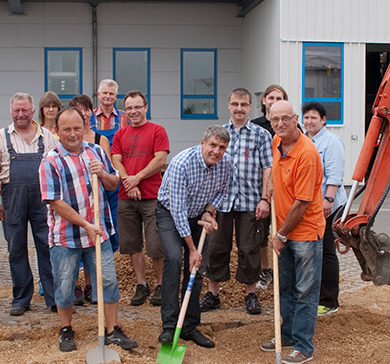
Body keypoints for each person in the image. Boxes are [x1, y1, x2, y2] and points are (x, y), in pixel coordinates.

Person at [39, 107, 138, 352]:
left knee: (108, 282)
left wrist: (102, 173)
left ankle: (112, 329)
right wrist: (85, 224)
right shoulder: (50, 161)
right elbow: (55, 202)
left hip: (99, 234)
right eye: (66, 129)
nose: (72, 134)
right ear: (57, 131)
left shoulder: (95, 152)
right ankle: (65, 329)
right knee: (64, 286)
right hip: (66, 237)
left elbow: (114, 183)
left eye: (77, 128)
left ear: (84, 128)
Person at [260, 100, 325, 364]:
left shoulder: (306, 154)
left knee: (305, 292)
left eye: (285, 119)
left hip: (304, 233)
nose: (280, 124)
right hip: (282, 230)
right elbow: (274, 177)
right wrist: (267, 197)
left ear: (295, 118)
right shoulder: (277, 142)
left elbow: (302, 202)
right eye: (275, 120)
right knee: (285, 287)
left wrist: (281, 235)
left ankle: (303, 346)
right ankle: (285, 335)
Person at [156, 126, 233, 349]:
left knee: (197, 269)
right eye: (213, 145)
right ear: (202, 143)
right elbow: (178, 211)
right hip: (170, 213)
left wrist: (209, 210)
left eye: (222, 147)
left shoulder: (226, 164)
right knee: (174, 260)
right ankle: (170, 327)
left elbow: (223, 191)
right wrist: (191, 249)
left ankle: (189, 326)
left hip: (199, 214)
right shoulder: (182, 164)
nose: (217, 151)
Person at [0, 92, 58, 316]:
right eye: (17, 110)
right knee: (16, 248)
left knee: (46, 246)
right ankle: (21, 298)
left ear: (33, 111)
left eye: (25, 110)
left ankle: (53, 297)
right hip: (12, 198)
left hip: (42, 200)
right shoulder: (1, 137)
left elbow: (56, 169)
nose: (21, 114)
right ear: (11, 111)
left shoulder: (47, 137)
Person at [200, 88, 271, 315]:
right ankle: (213, 293)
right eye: (235, 104)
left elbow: (268, 169)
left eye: (243, 104)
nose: (239, 108)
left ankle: (251, 294)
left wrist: (265, 199)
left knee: (250, 249)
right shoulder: (220, 135)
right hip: (221, 202)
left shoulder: (261, 135)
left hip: (251, 202)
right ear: (228, 105)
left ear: (250, 106)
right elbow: (208, 164)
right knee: (216, 247)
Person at [111, 90, 169, 307]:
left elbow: (160, 159)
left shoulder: (157, 131)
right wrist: (128, 181)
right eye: (129, 108)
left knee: (156, 245)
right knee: (132, 244)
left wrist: (136, 178)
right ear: (125, 111)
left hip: (153, 196)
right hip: (126, 198)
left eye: (138, 107)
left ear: (146, 107)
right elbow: (116, 160)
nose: (133, 111)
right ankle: (141, 284)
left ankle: (162, 284)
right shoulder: (120, 134)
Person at [302, 102, 347, 317]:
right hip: (311, 207)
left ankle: (329, 301)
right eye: (306, 117)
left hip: (328, 205)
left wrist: (328, 199)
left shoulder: (331, 142)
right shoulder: (305, 141)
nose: (309, 121)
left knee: (327, 251)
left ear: (323, 120)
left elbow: (335, 174)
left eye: (314, 118)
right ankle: (316, 296)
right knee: (313, 251)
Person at [68, 93, 108, 305]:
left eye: (86, 109)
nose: (83, 113)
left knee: (94, 249)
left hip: (95, 205)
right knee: (74, 250)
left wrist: (101, 172)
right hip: (73, 207)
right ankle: (74, 287)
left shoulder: (99, 144)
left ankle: (92, 286)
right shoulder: (62, 145)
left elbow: (110, 178)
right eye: (78, 109)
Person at [251, 84, 289, 292]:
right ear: (264, 100)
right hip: (262, 189)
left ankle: (283, 269)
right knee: (260, 234)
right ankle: (266, 271)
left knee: (284, 232)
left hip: (285, 190)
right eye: (271, 98)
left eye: (279, 98)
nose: (274, 101)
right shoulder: (255, 126)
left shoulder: (290, 128)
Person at [91, 79, 128, 252]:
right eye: (104, 93)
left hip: (117, 170)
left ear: (116, 96)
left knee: (115, 213)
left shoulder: (123, 117)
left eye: (111, 93)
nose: (107, 96)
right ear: (98, 95)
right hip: (95, 171)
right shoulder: (89, 117)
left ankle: (115, 249)